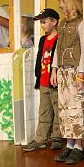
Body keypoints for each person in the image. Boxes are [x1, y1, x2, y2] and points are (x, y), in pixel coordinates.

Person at [52, 0, 84, 164]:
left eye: (62, 1)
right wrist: (54, 69)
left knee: (76, 109)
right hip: (63, 71)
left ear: (71, 2)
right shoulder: (63, 24)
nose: (59, 5)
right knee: (64, 110)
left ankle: (78, 146)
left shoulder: (81, 23)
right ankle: (69, 144)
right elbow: (57, 49)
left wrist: (81, 74)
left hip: (74, 71)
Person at [23, 8, 63, 152]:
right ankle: (41, 138)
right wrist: (38, 76)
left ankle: (57, 137)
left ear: (54, 22)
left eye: (44, 22)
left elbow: (59, 59)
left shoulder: (60, 38)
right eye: (41, 22)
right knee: (44, 111)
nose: (42, 25)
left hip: (55, 81)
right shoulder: (42, 39)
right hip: (44, 80)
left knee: (58, 109)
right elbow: (40, 58)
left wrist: (57, 74)